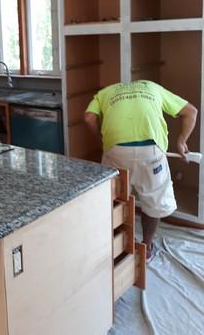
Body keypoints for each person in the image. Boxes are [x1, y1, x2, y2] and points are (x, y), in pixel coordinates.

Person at [84, 80, 197, 262]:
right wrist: (181, 142)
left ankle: (118, 246)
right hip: (151, 153)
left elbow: (89, 118)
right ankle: (147, 247)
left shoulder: (105, 92)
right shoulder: (153, 88)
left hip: (115, 151)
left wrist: (101, 141)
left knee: (116, 200)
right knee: (153, 201)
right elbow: (191, 112)